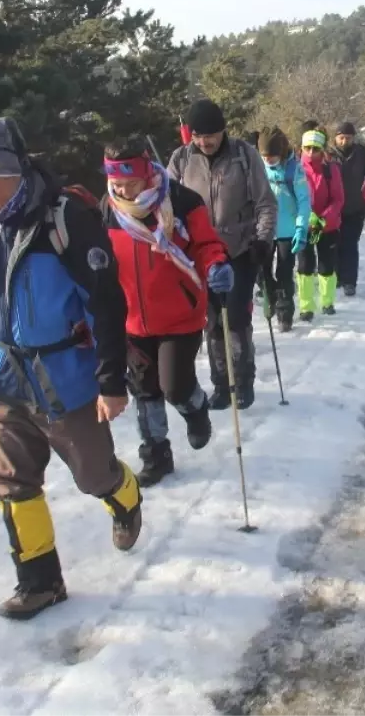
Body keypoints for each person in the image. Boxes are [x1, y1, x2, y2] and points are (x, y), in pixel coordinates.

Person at [0, 117, 140, 621]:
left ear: (13, 172)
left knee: (93, 475)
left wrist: (111, 380)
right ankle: (40, 582)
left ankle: (122, 495)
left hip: (67, 377)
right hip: (4, 374)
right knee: (12, 484)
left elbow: (104, 304)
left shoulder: (66, 220)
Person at [101, 138, 232, 487]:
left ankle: (196, 408)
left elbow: (206, 244)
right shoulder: (109, 209)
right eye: (117, 184)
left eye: (130, 182)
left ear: (147, 174)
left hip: (180, 314)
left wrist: (217, 265)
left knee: (174, 386)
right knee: (145, 391)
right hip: (131, 319)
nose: (124, 190)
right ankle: (156, 454)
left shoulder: (182, 202)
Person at [166, 99, 277, 411]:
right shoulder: (181, 159)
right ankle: (221, 384)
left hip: (239, 249)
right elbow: (166, 204)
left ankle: (243, 380)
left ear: (223, 131)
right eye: (198, 136)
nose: (205, 142)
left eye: (210, 135)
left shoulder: (244, 155)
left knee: (237, 318)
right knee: (212, 322)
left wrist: (263, 239)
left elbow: (265, 203)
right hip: (198, 254)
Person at [257, 127, 310, 332]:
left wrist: (301, 228)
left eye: (272, 156)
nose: (269, 160)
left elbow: (304, 201)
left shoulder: (293, 170)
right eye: (265, 156)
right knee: (262, 272)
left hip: (288, 230)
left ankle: (285, 312)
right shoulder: (258, 169)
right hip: (264, 230)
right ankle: (269, 296)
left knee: (285, 272)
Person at [297, 129, 345, 320]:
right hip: (304, 226)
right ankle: (306, 306)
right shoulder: (296, 169)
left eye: (315, 149)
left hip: (327, 226)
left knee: (326, 265)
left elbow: (338, 199)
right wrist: (307, 218)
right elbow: (293, 199)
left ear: (322, 150)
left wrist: (323, 219)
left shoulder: (330, 169)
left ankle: (327, 302)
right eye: (307, 148)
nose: (310, 153)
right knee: (304, 265)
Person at [332, 122, 365, 298]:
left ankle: (350, 281)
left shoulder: (362, 154)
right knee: (334, 245)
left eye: (348, 138)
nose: (344, 141)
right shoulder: (328, 155)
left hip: (355, 207)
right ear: (335, 138)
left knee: (350, 244)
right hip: (333, 208)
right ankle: (336, 277)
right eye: (341, 138)